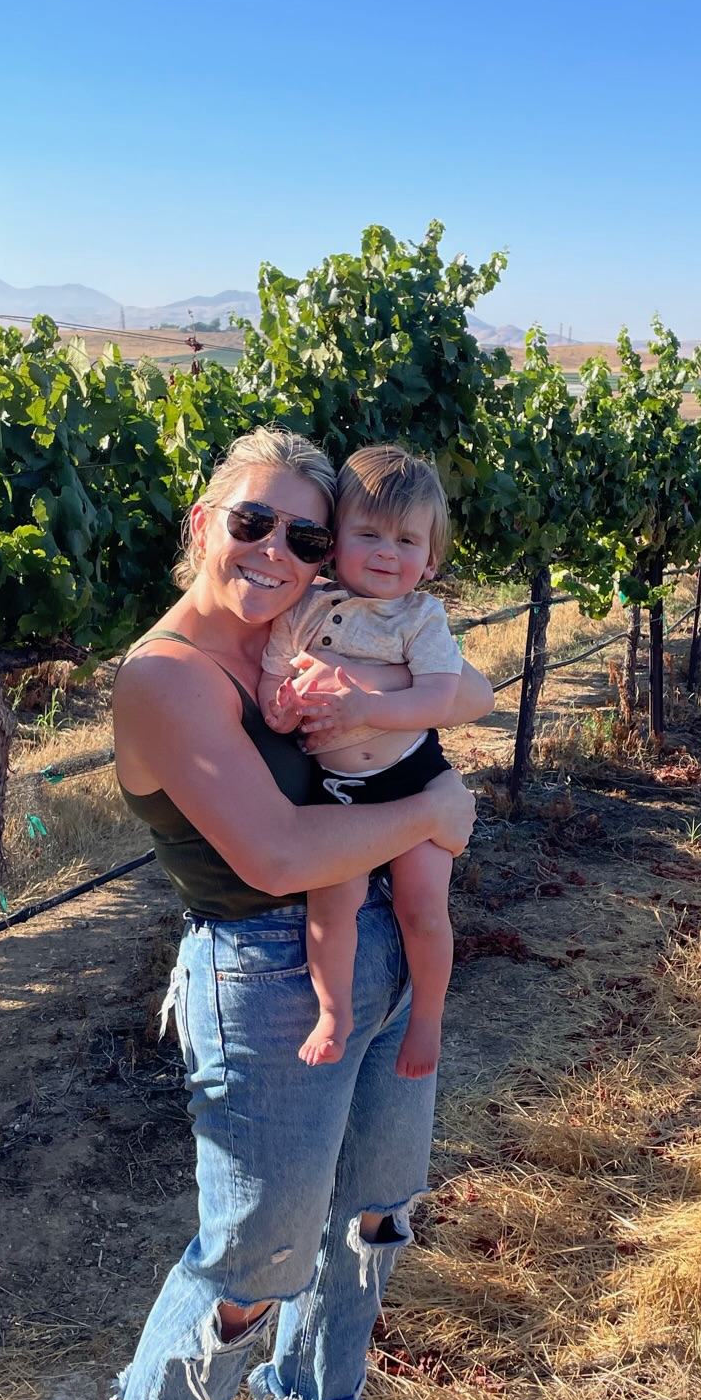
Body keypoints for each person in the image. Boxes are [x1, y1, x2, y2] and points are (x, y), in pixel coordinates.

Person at [91, 426, 494, 1400]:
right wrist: (439, 805)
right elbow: (273, 849)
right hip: (263, 968)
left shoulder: (300, 622)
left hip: (369, 936)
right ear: (203, 514)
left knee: (373, 1207)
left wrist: (431, 763)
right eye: (253, 520)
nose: (280, 549)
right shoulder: (165, 676)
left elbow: (464, 685)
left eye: (307, 533)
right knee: (259, 1247)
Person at [259, 446, 462, 1080]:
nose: (386, 552)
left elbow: (439, 696)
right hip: (339, 787)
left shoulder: (422, 617)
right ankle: (334, 1012)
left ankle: (427, 1015)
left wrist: (362, 707)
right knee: (331, 903)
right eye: (368, 533)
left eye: (407, 540)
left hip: (413, 772)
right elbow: (272, 689)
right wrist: (285, 708)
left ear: (429, 561)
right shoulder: (303, 610)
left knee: (423, 908)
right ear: (333, 543)